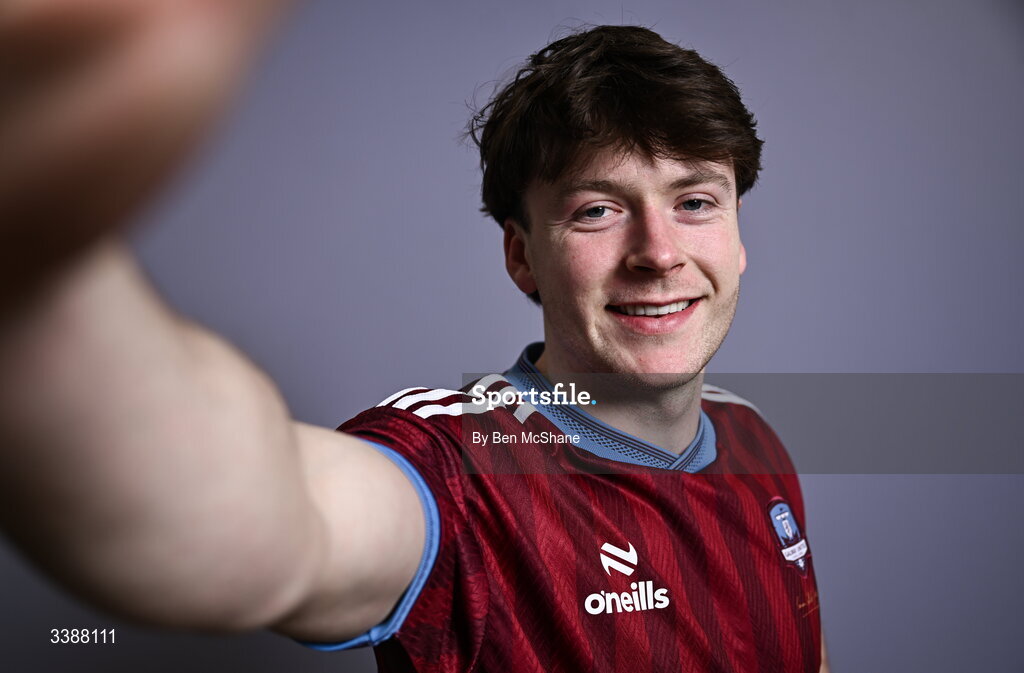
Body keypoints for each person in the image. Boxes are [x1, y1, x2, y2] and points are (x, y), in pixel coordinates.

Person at [0, 2, 828, 671]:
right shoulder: (458, 467)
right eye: (597, 210)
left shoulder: (754, 438)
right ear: (521, 257)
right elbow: (278, 528)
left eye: (694, 201)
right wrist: (30, 251)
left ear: (737, 232)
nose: (658, 252)